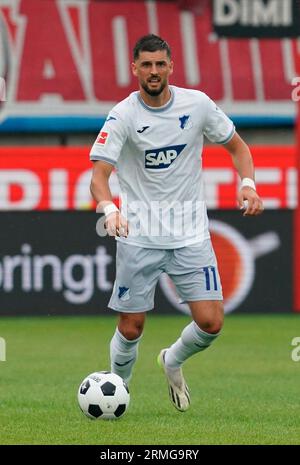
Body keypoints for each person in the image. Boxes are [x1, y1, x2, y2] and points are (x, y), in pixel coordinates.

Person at [89, 34, 264, 412]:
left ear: (171, 66)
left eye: (160, 64)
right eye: (146, 65)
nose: (154, 71)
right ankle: (119, 391)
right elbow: (99, 175)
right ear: (135, 68)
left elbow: (239, 147)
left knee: (211, 323)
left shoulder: (197, 105)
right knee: (132, 326)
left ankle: (172, 360)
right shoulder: (123, 115)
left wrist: (247, 185)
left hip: (190, 235)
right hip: (139, 236)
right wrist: (110, 210)